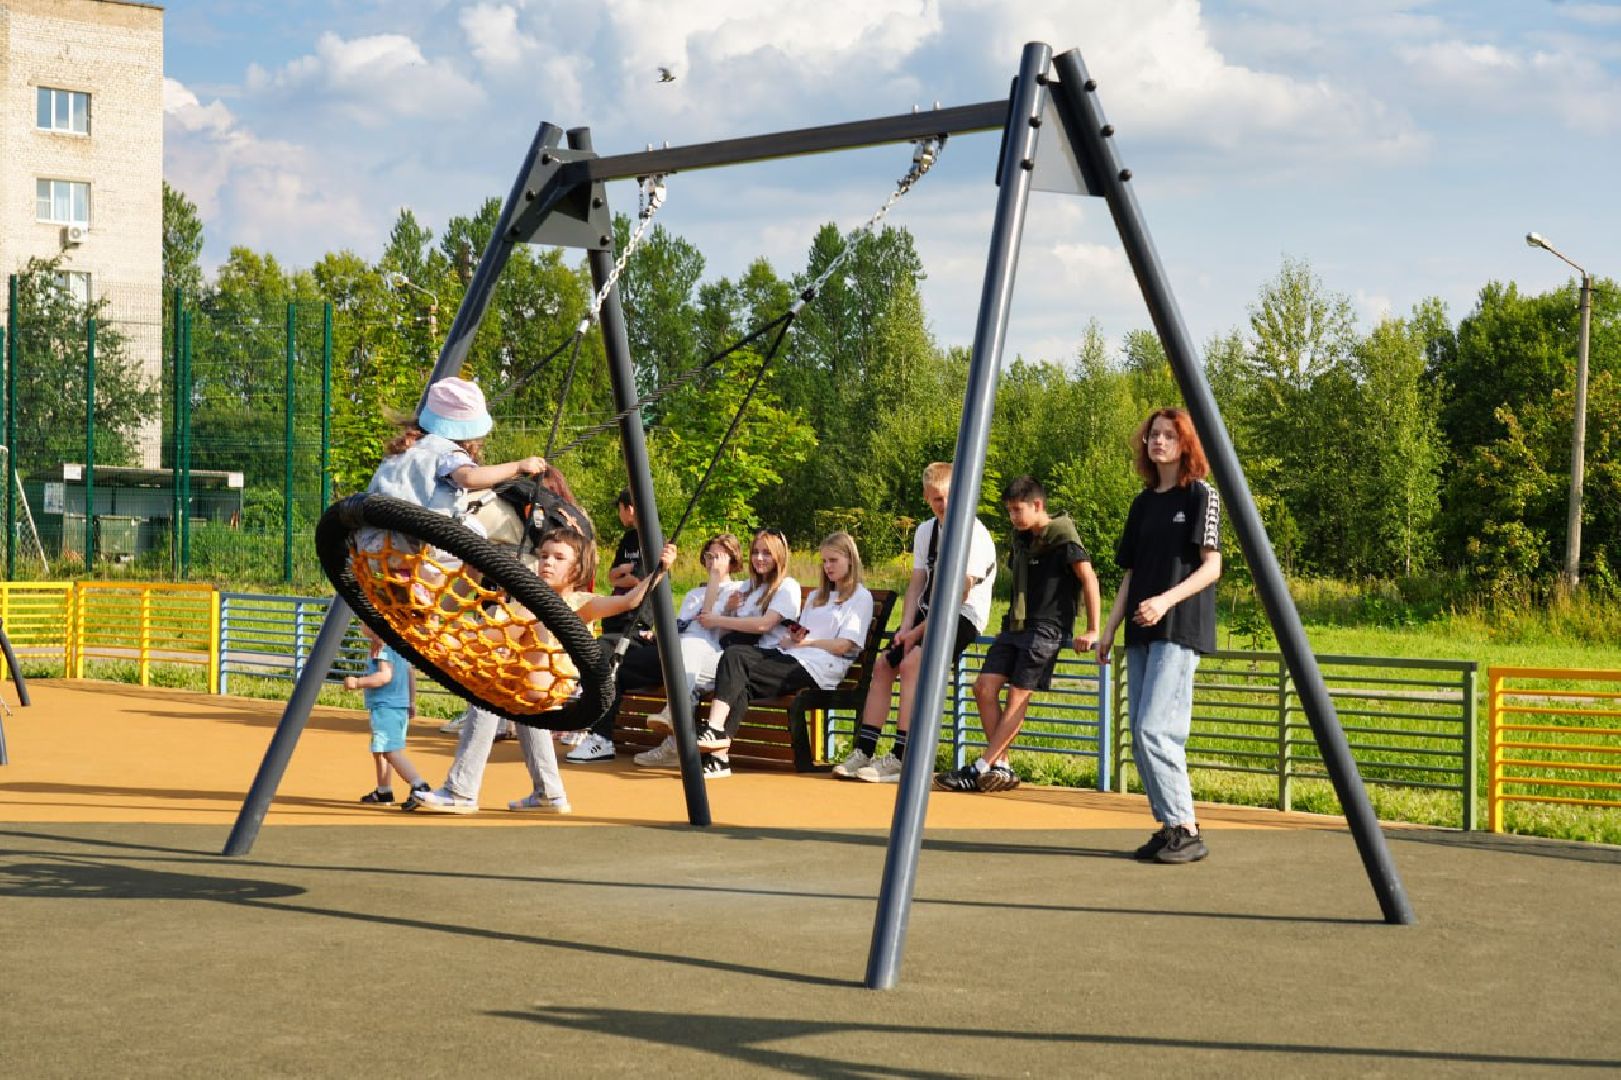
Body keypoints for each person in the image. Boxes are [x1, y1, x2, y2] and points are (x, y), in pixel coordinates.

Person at [410, 523, 676, 814]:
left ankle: (460, 790)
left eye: (559, 558)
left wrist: (660, 570)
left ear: (577, 569)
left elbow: (629, 600)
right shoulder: (524, 600)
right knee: (523, 710)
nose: (548, 562)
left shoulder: (578, 603)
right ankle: (549, 793)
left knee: (487, 696)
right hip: (527, 682)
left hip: (551, 682)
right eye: (544, 555)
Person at [1097, 407, 1221, 865]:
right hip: (1141, 629)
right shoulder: (1143, 502)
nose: (1159, 441)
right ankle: (1170, 826)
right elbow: (1131, 574)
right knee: (1140, 733)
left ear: (1185, 443)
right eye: (1153, 434)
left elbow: (1213, 566)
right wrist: (1110, 627)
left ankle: (1186, 828)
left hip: (1179, 626)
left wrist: (1165, 601)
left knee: (1156, 729)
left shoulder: (1201, 495)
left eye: (1169, 435)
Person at [833, 462, 997, 783]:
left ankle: (902, 756)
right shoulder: (926, 531)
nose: (944, 504)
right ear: (926, 498)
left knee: (912, 666)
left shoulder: (974, 534)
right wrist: (906, 627)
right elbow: (917, 582)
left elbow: (958, 595)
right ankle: (864, 749)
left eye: (948, 496)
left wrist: (916, 634)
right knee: (884, 664)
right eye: (936, 498)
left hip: (963, 614)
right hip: (928, 612)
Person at [935, 476, 1100, 794]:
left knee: (1017, 696)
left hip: (1047, 627)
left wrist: (1093, 629)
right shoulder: (1021, 539)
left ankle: (980, 767)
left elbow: (1089, 579)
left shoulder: (1064, 538)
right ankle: (1002, 766)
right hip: (1015, 625)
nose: (1012, 517)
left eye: (1017, 510)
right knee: (983, 688)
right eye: (1009, 511)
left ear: (1037, 505)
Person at [691, 532, 873, 771]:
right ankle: (719, 757)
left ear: (850, 560)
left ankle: (713, 731)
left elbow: (843, 646)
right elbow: (795, 637)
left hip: (819, 668)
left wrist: (806, 643)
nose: (827, 567)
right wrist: (794, 638)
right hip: (793, 657)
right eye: (824, 561)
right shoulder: (817, 596)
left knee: (739, 663)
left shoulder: (861, 597)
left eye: (833, 560)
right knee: (736, 660)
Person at [640, 527, 801, 778]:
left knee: (693, 662)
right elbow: (724, 631)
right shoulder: (748, 588)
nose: (759, 558)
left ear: (780, 555)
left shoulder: (787, 586)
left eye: (767, 553)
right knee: (688, 660)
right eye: (756, 552)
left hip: (761, 661)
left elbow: (763, 625)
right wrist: (727, 612)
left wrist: (719, 618)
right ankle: (675, 730)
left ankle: (675, 728)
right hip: (731, 656)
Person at [599, 533, 744, 769]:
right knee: (621, 663)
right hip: (680, 653)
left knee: (689, 646)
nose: (712, 562)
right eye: (709, 556)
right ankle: (600, 735)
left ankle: (673, 716)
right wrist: (658, 636)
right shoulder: (693, 594)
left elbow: (709, 622)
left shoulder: (738, 590)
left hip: (714, 655)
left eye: (719, 557)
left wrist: (720, 593)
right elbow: (681, 625)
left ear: (733, 559)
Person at [566, 489, 648, 762]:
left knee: (605, 653)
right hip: (615, 618)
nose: (620, 515)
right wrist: (623, 574)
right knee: (602, 654)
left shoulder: (650, 538)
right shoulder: (628, 539)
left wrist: (625, 575)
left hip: (637, 621)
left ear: (629, 508)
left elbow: (639, 581)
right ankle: (594, 726)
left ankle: (596, 731)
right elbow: (613, 577)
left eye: (620, 509)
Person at [344, 624, 430, 805]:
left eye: (364, 622)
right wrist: (411, 701)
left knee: (391, 751)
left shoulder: (384, 648)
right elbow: (410, 672)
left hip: (387, 707)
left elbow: (384, 676)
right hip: (396, 707)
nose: (361, 625)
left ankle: (419, 786)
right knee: (381, 750)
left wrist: (357, 682)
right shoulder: (397, 644)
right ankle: (384, 791)